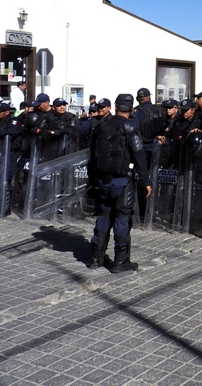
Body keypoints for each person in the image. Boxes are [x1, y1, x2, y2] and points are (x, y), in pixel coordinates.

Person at [87, 93, 151, 272]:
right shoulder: (130, 128)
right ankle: (120, 262)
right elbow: (139, 156)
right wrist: (145, 181)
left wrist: (92, 177)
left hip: (101, 180)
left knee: (103, 216)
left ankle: (95, 258)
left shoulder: (100, 126)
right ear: (131, 109)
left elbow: (92, 154)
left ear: (115, 107)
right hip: (122, 182)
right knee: (122, 219)